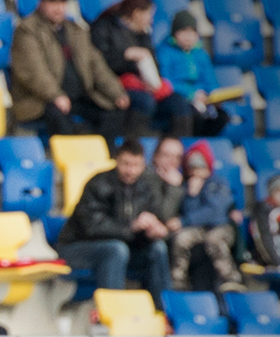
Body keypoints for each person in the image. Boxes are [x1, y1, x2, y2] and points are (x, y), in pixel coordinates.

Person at [55, 139, 170, 306]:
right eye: (126, 164)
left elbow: (158, 218)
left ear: (143, 165)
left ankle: (162, 310)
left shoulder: (146, 188)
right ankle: (112, 310)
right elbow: (92, 227)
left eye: (136, 165)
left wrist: (156, 230)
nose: (130, 171)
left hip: (122, 248)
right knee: (116, 249)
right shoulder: (98, 183)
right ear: (116, 161)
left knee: (158, 248)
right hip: (77, 247)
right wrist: (131, 227)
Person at [10, 0, 130, 141]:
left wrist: (116, 92)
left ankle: (104, 152)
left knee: (114, 110)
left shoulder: (75, 30)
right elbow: (34, 72)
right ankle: (68, 154)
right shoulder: (27, 30)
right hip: (40, 100)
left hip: (80, 96)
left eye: (62, 3)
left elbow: (97, 66)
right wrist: (55, 95)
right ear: (41, 3)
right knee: (58, 115)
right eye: (53, 3)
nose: (59, 9)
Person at [91, 0, 186, 137]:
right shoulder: (103, 28)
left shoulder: (143, 34)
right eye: (149, 15)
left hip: (143, 84)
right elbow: (99, 64)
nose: (151, 20)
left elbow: (154, 63)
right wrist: (126, 55)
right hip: (115, 84)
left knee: (179, 103)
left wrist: (150, 79)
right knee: (144, 101)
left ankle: (175, 145)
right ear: (136, 14)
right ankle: (133, 144)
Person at [172, 142, 243, 293]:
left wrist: (185, 221)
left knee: (214, 240)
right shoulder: (187, 186)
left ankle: (231, 279)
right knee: (181, 238)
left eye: (200, 167)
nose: (197, 172)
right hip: (197, 229)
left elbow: (215, 212)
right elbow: (187, 211)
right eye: (192, 168)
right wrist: (192, 195)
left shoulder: (218, 183)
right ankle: (178, 282)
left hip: (220, 227)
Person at [157, 11, 227, 138]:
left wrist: (213, 95)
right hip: (178, 98)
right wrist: (192, 94)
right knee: (190, 113)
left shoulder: (201, 54)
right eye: (184, 31)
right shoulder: (164, 52)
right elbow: (165, 81)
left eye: (192, 32)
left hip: (202, 99)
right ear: (174, 32)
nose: (188, 37)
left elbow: (209, 79)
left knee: (221, 117)